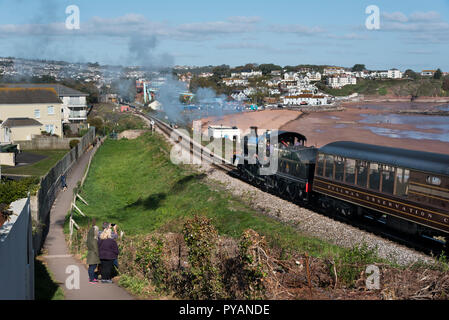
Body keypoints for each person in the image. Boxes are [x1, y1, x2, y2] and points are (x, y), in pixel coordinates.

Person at [86, 218, 100, 284]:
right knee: (93, 267)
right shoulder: (94, 240)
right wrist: (98, 255)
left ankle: (91, 278)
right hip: (93, 255)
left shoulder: (89, 238)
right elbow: (96, 248)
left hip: (90, 254)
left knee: (91, 267)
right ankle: (91, 279)